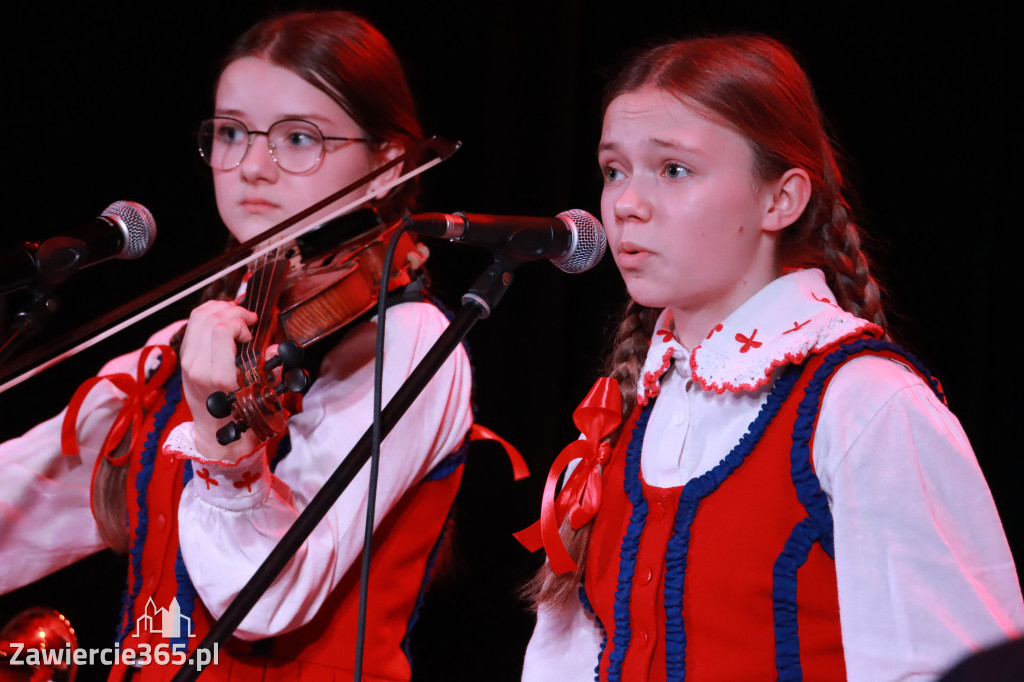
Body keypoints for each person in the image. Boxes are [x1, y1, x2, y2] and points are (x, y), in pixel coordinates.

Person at [518, 35, 1024, 681]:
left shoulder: (863, 401)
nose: (625, 204)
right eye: (615, 170)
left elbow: (947, 663)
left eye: (673, 170)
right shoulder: (629, 404)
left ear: (780, 199)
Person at [0, 10, 473, 681]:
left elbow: (265, 596)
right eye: (231, 133)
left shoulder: (407, 341)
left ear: (386, 164)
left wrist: (224, 441)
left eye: (298, 137)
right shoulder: (184, 343)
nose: (251, 166)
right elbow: (24, 497)